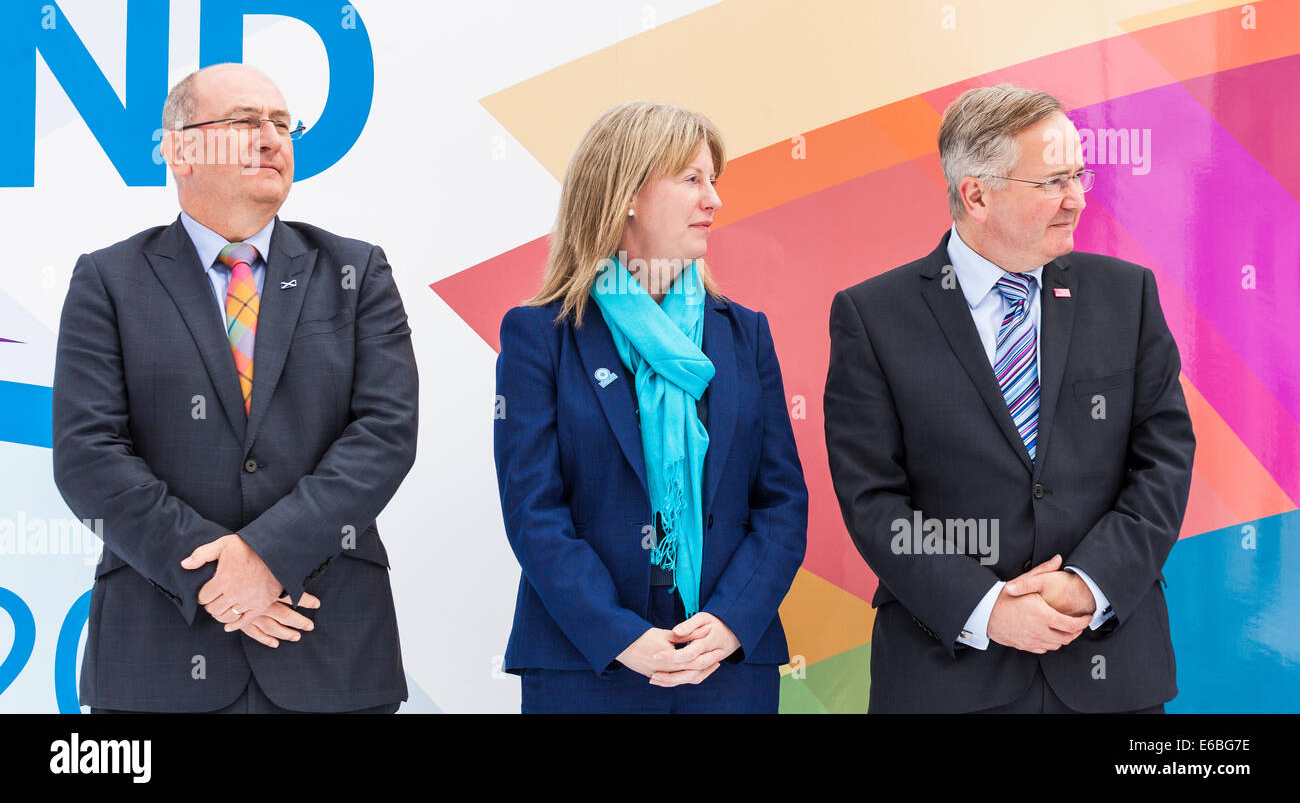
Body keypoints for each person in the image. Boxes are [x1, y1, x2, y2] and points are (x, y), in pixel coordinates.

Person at [52, 62, 418, 713]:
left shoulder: (356, 272)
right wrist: (221, 574)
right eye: (246, 122)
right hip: (157, 658)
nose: (273, 137)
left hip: (328, 648)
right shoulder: (108, 281)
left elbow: (384, 435)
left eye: (283, 123)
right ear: (181, 149)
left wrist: (271, 557)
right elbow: (88, 457)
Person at [824, 83, 1194, 713]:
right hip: (948, 674)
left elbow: (1163, 461)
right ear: (976, 194)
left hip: (1109, 671)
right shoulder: (872, 316)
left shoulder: (1126, 296)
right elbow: (872, 498)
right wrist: (987, 608)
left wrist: (1087, 584)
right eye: (1052, 182)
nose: (1077, 199)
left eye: (1079, 175)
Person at [494, 100, 808, 713]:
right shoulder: (541, 335)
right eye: (692, 180)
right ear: (626, 194)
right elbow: (534, 510)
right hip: (588, 665)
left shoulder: (745, 334)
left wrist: (732, 622)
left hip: (727, 663)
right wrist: (620, 636)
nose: (713, 200)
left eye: (712, 181)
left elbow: (781, 502)